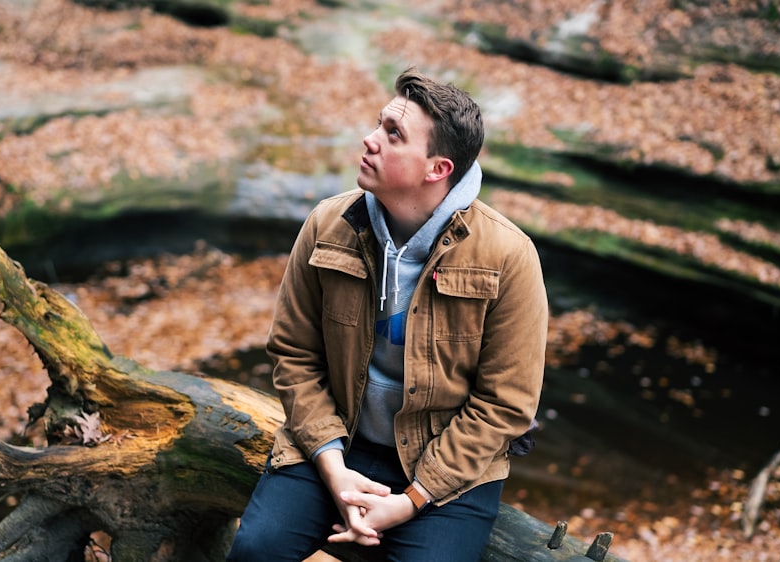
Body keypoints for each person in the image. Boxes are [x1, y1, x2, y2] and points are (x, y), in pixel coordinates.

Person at [227, 66, 548, 562]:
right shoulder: (326, 224)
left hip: (449, 465)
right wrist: (332, 468)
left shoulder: (509, 256)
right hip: (338, 439)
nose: (369, 139)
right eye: (379, 124)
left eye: (392, 134)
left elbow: (506, 404)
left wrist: (412, 499)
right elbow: (294, 355)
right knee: (256, 550)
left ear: (436, 169)